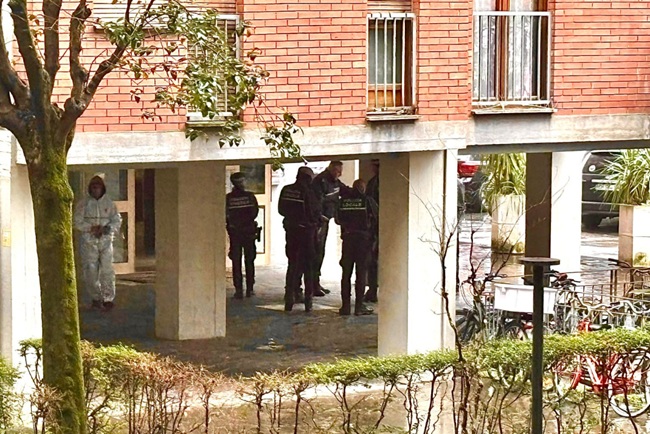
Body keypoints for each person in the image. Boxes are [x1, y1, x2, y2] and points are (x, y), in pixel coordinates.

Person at [74, 174, 122, 312]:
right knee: (90, 271)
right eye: (94, 187)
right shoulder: (83, 204)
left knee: (107, 270)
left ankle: (108, 299)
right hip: (89, 242)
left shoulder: (109, 203)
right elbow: (77, 221)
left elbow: (117, 220)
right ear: (90, 188)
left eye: (98, 187)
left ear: (102, 188)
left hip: (105, 241)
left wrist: (107, 228)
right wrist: (90, 228)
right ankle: (95, 297)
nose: (96, 190)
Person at [279, 166, 321, 312]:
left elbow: (281, 210)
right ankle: (308, 301)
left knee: (292, 265)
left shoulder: (286, 190)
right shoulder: (308, 192)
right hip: (306, 233)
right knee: (308, 266)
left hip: (291, 231)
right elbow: (314, 212)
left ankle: (289, 298)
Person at [336, 179, 376, 315]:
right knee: (361, 274)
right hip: (363, 242)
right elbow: (377, 217)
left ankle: (345, 307)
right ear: (363, 188)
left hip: (348, 240)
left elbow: (337, 219)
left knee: (346, 274)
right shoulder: (367, 201)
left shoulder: (343, 201)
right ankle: (359, 307)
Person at [312, 161, 350, 296]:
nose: (340, 174)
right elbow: (316, 202)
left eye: (340, 172)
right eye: (337, 171)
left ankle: (316, 283)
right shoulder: (321, 181)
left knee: (320, 252)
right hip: (318, 222)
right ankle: (312, 285)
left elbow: (345, 191)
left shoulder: (335, 182)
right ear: (331, 169)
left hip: (325, 221)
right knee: (316, 253)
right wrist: (321, 217)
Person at [226, 172, 259, 299]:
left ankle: (238, 289)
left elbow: (226, 215)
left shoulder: (229, 198)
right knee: (249, 260)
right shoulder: (249, 197)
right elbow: (254, 213)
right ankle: (250, 288)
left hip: (235, 233)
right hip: (248, 232)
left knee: (236, 261)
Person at [364, 159, 380, 303]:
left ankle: (373, 290)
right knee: (373, 261)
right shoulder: (374, 182)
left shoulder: (374, 183)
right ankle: (373, 290)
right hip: (377, 227)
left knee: (372, 260)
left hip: (375, 228)